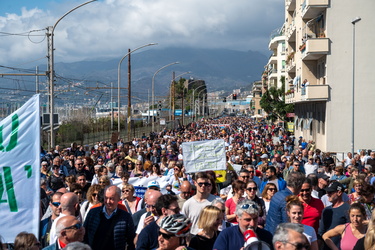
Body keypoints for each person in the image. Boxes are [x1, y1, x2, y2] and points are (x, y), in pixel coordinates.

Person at [84, 185, 135, 250]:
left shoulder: (126, 217)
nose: (108, 202)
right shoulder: (93, 213)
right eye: (106, 198)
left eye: (111, 199)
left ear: (118, 199)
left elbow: (131, 241)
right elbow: (84, 235)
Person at [318, 182, 350, 249]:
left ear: (339, 193)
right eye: (327, 192)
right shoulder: (326, 210)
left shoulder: (348, 209)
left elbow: (350, 231)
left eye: (330, 192)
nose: (327, 194)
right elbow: (321, 231)